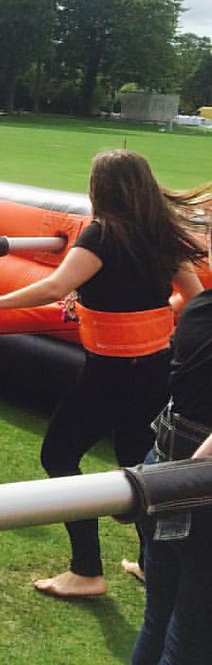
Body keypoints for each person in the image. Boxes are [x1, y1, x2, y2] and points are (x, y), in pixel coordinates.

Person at [0, 150, 206, 598]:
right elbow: (194, 298)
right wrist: (148, 312)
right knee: (139, 467)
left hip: (109, 373)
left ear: (100, 189)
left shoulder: (101, 234)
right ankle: (149, 563)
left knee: (59, 456)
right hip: (156, 369)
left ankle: (86, 571)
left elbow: (55, 286)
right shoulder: (159, 233)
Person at [132, 269, 212, 665]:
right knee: (190, 642)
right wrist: (189, 483)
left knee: (159, 620)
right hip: (194, 486)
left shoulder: (200, 308)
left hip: (164, 470)